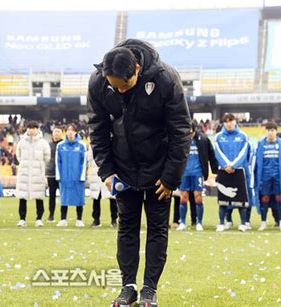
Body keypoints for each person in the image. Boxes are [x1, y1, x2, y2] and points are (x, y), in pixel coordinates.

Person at [88, 39, 192, 306]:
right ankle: (128, 287)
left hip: (159, 171)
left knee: (157, 229)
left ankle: (150, 289)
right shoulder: (99, 82)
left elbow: (180, 131)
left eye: (124, 85)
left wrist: (170, 177)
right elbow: (98, 130)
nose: (118, 91)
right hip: (122, 170)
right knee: (127, 229)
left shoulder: (166, 78)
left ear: (137, 69)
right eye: (114, 86)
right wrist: (107, 171)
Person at [176, 121, 218, 231]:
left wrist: (215, 170)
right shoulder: (181, 140)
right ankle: (183, 222)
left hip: (197, 173)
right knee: (183, 198)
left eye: (190, 131)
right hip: (184, 173)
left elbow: (211, 154)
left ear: (194, 130)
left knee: (198, 198)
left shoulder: (203, 140)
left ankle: (199, 223)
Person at [214, 113, 250, 232]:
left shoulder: (243, 136)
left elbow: (244, 152)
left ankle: (243, 223)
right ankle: (221, 223)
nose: (229, 124)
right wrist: (226, 165)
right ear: (224, 123)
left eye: (231, 121)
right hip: (224, 171)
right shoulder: (218, 137)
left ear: (235, 121)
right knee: (223, 199)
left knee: (241, 200)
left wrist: (233, 165)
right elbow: (218, 152)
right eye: (226, 122)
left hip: (238, 170)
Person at [15, 121, 51, 227]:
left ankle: (39, 218)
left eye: (34, 128)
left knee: (39, 197)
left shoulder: (43, 143)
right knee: (22, 197)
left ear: (37, 129)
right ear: (27, 129)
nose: (32, 130)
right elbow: (19, 156)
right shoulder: (21, 142)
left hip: (38, 173)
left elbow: (47, 157)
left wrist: (39, 167)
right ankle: (22, 219)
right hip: (24, 173)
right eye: (30, 128)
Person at [254, 122, 281, 231]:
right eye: (268, 130)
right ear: (266, 131)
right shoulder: (261, 144)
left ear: (276, 131)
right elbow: (257, 161)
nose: (271, 132)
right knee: (265, 198)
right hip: (265, 175)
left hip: (278, 175)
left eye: (273, 130)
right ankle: (263, 222)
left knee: (279, 198)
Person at [56, 124, 87, 227]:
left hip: (77, 177)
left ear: (76, 132)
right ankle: (63, 219)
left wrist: (82, 176)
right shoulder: (60, 145)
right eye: (68, 130)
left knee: (79, 198)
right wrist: (58, 176)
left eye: (72, 130)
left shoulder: (81, 145)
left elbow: (84, 162)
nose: (70, 132)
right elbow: (58, 162)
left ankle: (79, 219)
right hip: (64, 176)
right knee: (64, 198)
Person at [88, 146, 118, 228]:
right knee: (96, 198)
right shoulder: (92, 146)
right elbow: (89, 159)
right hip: (96, 173)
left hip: (109, 172)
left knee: (112, 198)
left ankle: (114, 219)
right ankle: (96, 220)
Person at [45, 126, 63, 222]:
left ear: (61, 133)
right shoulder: (49, 145)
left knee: (62, 196)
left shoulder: (64, 144)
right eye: (55, 131)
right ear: (52, 133)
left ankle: (63, 216)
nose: (56, 133)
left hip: (62, 174)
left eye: (58, 131)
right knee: (51, 195)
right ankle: (51, 215)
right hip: (51, 173)